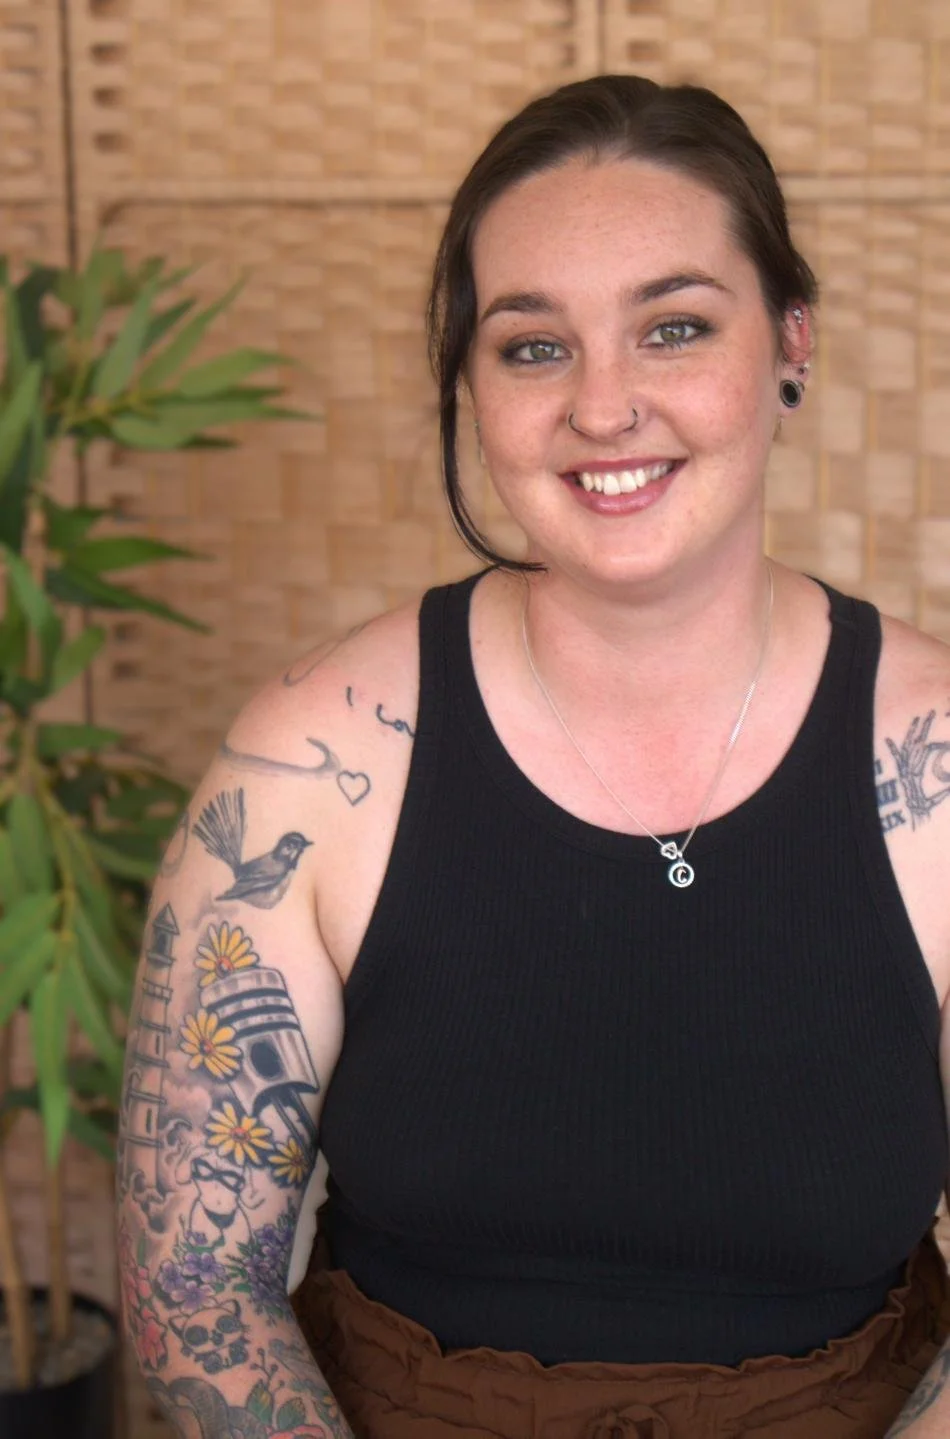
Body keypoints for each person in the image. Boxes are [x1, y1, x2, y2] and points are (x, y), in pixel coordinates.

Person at [117, 74, 950, 1439]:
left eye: (671, 327)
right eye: (530, 346)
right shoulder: (310, 765)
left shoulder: (923, 766)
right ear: (466, 375)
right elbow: (191, 1285)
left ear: (791, 341)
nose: (602, 407)